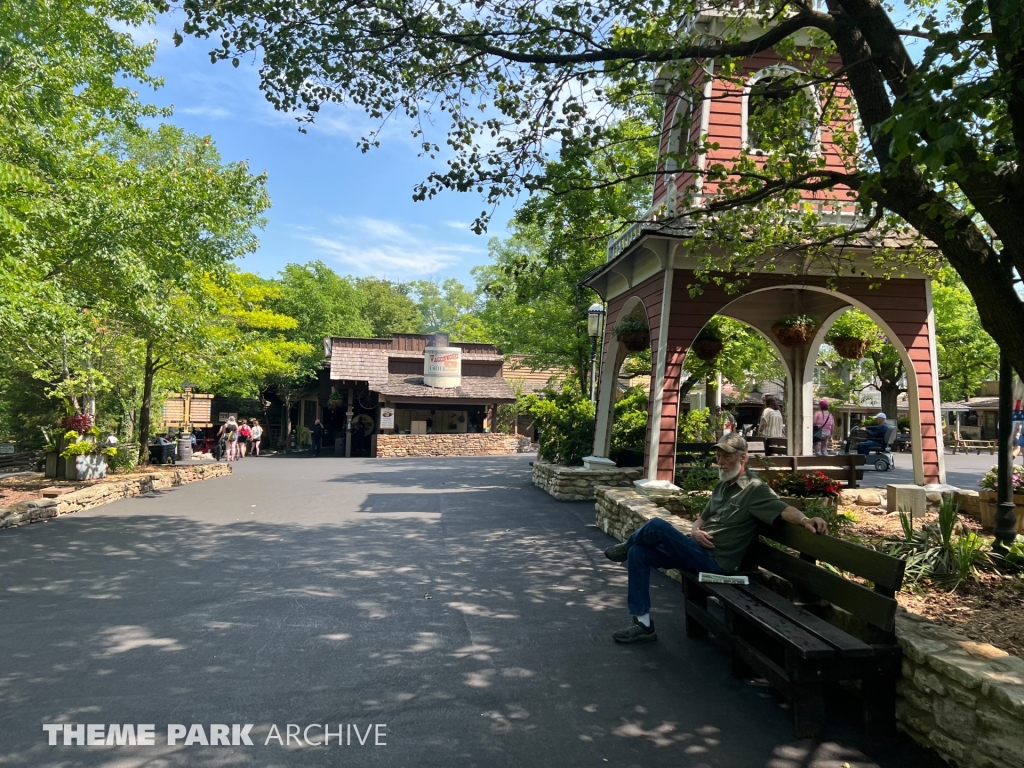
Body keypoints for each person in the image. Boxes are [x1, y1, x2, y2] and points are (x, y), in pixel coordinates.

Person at [604, 433, 828, 643]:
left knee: (657, 526)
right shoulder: (722, 486)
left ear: (743, 458)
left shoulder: (755, 489)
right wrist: (695, 529)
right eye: (719, 456)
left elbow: (782, 509)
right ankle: (643, 624)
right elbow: (703, 517)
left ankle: (627, 544)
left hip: (716, 562)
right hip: (697, 550)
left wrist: (805, 520)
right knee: (639, 553)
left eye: (726, 457)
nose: (720, 462)